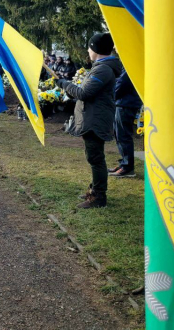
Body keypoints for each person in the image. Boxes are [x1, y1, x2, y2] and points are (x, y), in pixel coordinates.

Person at [56, 33, 122, 209]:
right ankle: (95, 189)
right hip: (93, 117)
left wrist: (64, 84)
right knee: (93, 156)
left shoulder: (103, 69)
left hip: (95, 119)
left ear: (96, 49)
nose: (88, 50)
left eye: (90, 47)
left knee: (96, 158)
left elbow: (84, 93)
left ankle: (99, 197)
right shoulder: (101, 67)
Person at [110, 68, 142, 178]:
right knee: (119, 134)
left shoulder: (128, 64)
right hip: (124, 102)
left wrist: (112, 97)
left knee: (123, 135)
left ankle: (127, 167)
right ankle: (124, 163)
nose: (115, 49)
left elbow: (122, 83)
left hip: (126, 103)